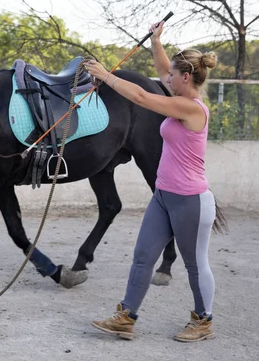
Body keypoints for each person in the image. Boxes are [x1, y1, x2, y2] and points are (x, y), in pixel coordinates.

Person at [83, 20, 219, 342]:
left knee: (195, 265)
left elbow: (143, 97)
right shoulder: (177, 94)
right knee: (143, 256)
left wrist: (105, 76)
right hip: (163, 197)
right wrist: (157, 42)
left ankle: (204, 321)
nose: (166, 78)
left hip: (191, 202)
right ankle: (126, 317)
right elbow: (160, 74)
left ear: (186, 78)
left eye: (172, 75)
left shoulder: (191, 108)